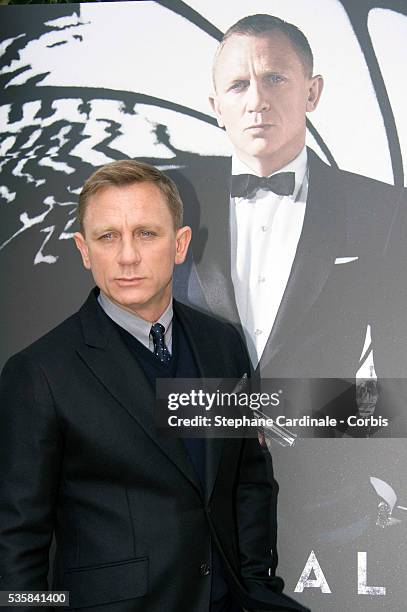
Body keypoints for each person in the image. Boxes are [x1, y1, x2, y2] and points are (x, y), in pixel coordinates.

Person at [0, 160, 308, 612]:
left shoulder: (221, 344)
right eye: (108, 237)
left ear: (179, 244)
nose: (127, 256)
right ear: (84, 251)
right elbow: (14, 542)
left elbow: (247, 478)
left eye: (146, 233)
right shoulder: (39, 373)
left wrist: (255, 583)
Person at [173, 13, 406, 432]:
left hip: (329, 485)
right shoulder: (168, 202)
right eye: (238, 85)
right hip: (191, 476)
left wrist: (296, 413)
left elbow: (397, 382)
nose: (256, 100)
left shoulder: (384, 210)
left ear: (312, 92)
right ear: (216, 107)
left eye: (275, 79)